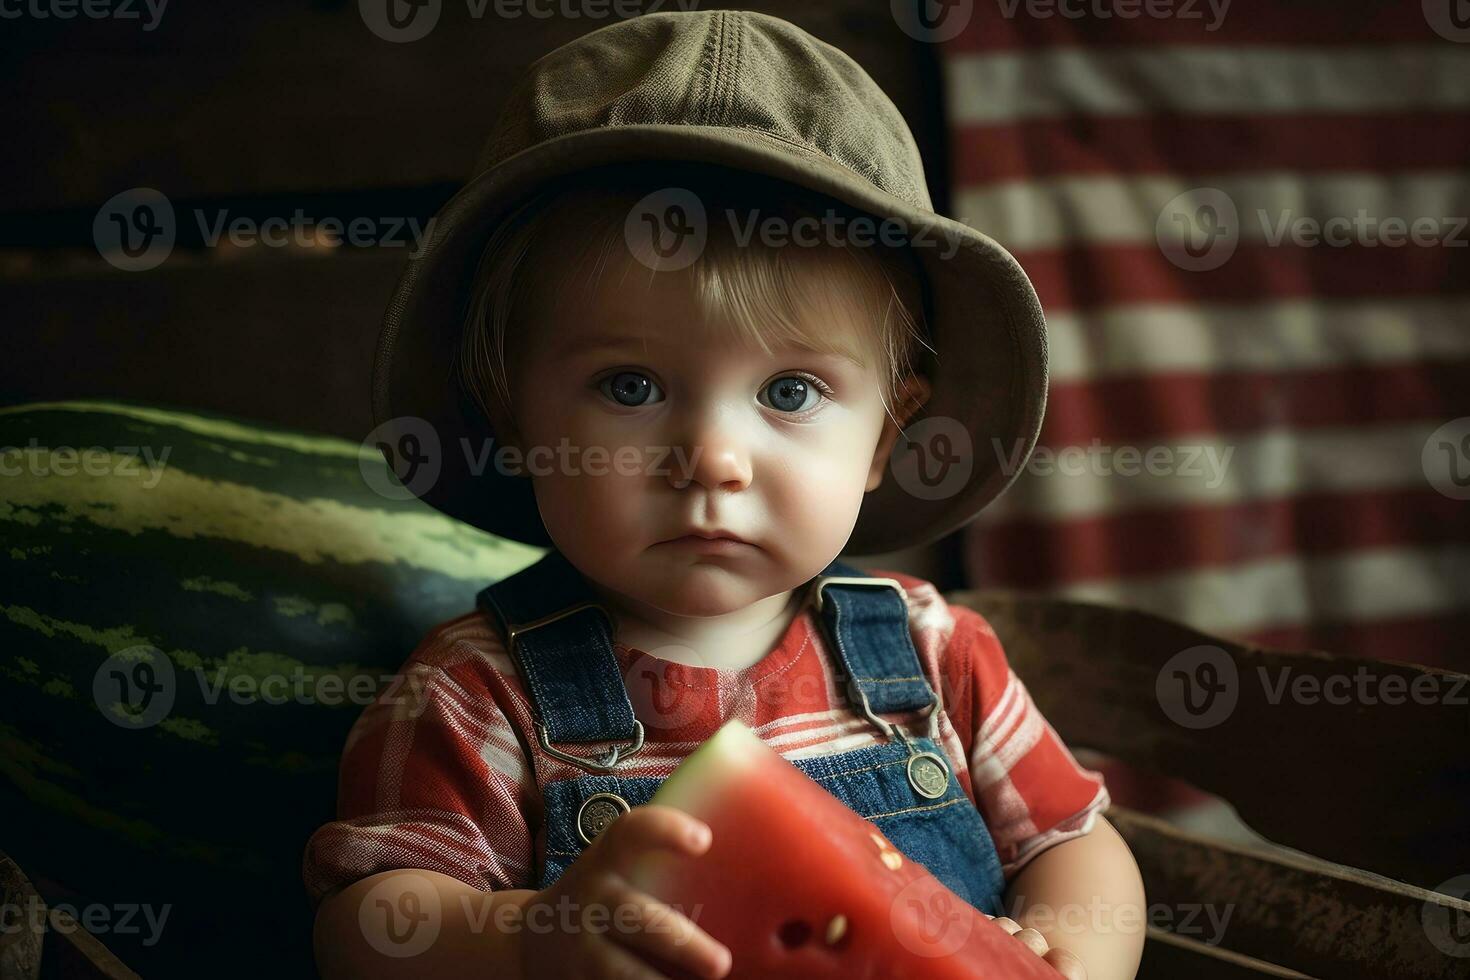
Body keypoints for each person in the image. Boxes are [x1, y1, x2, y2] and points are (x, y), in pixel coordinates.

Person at [305, 10, 1144, 979]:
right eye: (630, 386)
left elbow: (1071, 841)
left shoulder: (935, 649)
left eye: (790, 392)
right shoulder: (473, 689)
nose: (713, 458)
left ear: (887, 433)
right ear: (515, 423)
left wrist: (1075, 952)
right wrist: (525, 935)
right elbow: (366, 925)